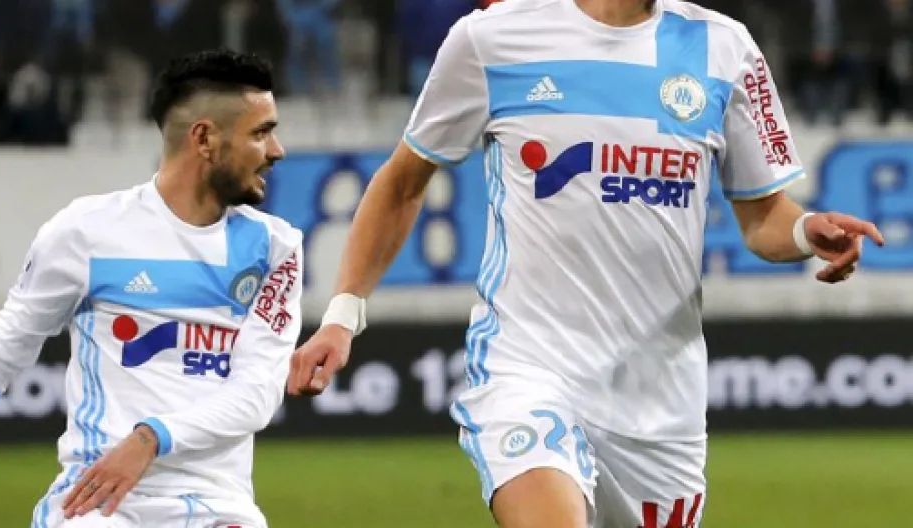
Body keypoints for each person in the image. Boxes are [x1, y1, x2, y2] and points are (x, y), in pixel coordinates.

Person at [286, 0, 885, 527]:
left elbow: (763, 215)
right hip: (528, 368)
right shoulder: (494, 37)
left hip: (659, 404)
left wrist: (805, 230)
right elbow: (402, 183)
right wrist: (342, 316)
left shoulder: (724, 48)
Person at [0, 48, 301, 528]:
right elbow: (0, 355)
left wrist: (150, 438)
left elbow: (258, 392)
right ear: (204, 138)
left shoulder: (275, 249)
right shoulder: (87, 232)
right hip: (95, 503)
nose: (276, 150)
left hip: (218, 506)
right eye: (261, 133)